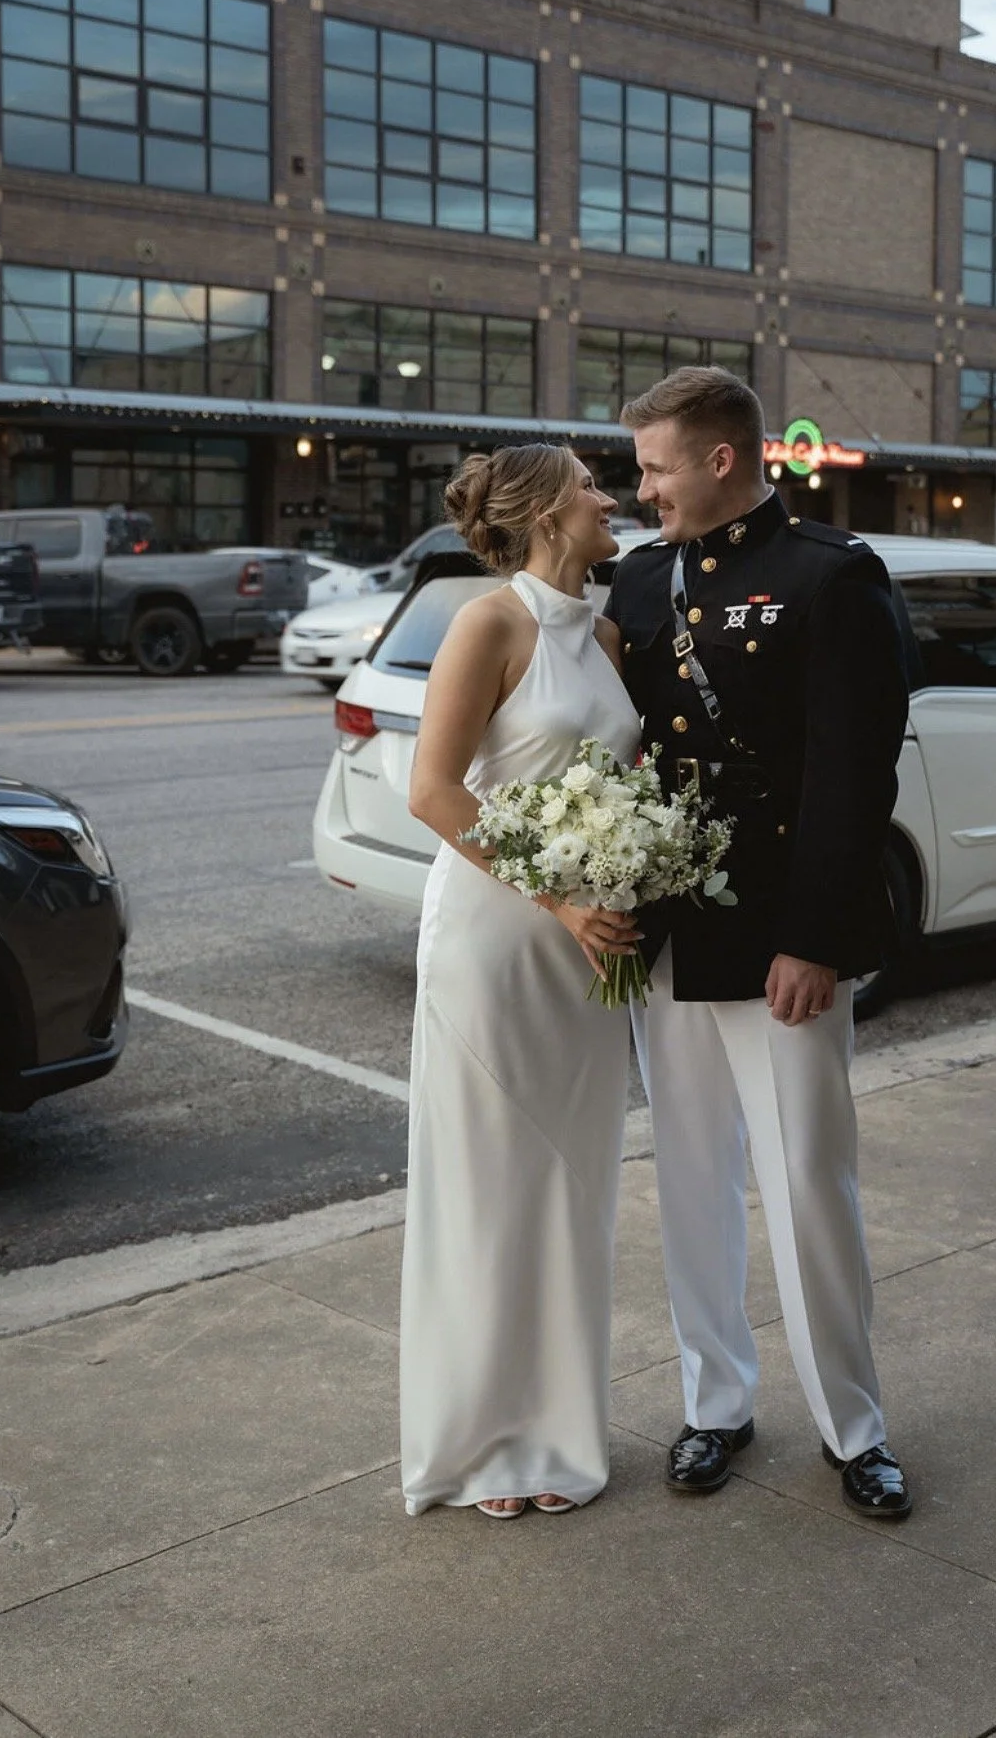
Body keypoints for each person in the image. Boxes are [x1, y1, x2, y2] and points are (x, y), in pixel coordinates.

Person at [605, 366, 913, 1517]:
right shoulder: (639, 584)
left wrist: (815, 938)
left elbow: (854, 771)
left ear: (721, 459)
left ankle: (855, 1425)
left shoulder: (830, 577)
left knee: (805, 1181)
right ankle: (715, 1403)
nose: (643, 491)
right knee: (690, 1175)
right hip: (669, 931)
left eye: (655, 468)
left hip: (782, 936)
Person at [399, 444, 641, 1520]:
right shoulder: (487, 623)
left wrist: (639, 865)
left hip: (592, 944)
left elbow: (624, 781)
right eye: (593, 484)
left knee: (572, 1189)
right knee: (491, 1190)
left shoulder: (614, 635)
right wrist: (560, 897)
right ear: (547, 509)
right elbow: (434, 793)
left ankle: (557, 1433)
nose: (612, 498)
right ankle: (485, 1439)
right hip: (500, 937)